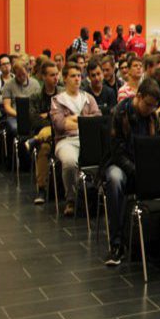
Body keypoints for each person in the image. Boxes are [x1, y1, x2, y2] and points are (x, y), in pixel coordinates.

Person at [103, 78, 160, 265]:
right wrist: (137, 171)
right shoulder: (119, 113)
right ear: (138, 96)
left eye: (154, 106)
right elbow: (117, 152)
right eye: (148, 105)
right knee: (114, 180)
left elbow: (155, 146)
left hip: (142, 165)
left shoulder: (153, 116)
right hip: (119, 163)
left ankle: (158, 240)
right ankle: (117, 243)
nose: (150, 109)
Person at [50, 64, 102, 217]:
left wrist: (73, 120)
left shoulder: (88, 98)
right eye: (73, 76)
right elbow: (60, 124)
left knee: (104, 159)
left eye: (79, 76)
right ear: (65, 78)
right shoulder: (57, 100)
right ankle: (71, 200)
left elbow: (97, 120)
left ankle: (98, 196)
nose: (77, 79)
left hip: (88, 139)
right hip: (66, 140)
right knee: (70, 162)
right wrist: (84, 121)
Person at [26, 62, 63, 204]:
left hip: (62, 135)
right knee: (44, 149)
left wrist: (47, 115)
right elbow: (34, 120)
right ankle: (41, 189)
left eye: (56, 74)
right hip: (47, 137)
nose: (55, 78)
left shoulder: (63, 93)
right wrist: (53, 119)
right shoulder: (35, 97)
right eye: (52, 75)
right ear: (43, 77)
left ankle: (35, 139)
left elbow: (67, 116)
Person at [2, 58, 41, 135]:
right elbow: (7, 107)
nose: (21, 77)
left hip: (32, 116)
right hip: (15, 116)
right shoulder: (8, 85)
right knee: (17, 128)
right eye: (18, 75)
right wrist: (21, 115)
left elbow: (39, 104)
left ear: (28, 71)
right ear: (14, 73)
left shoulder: (35, 83)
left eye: (23, 74)